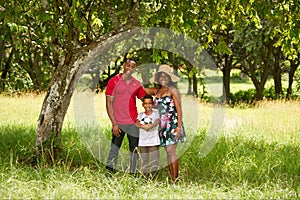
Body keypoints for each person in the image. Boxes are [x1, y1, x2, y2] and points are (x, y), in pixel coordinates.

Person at [144, 64, 186, 183]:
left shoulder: (173, 90)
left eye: (166, 76)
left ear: (170, 78)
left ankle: (175, 180)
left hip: (172, 124)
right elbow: (140, 90)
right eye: (161, 76)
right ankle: (172, 178)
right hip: (162, 126)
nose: (163, 78)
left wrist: (178, 127)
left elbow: (179, 109)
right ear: (157, 78)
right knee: (168, 152)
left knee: (170, 150)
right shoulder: (156, 91)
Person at [105, 58, 146, 174]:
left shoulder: (136, 84)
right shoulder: (113, 81)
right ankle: (109, 174)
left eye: (133, 67)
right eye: (128, 65)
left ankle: (134, 174)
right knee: (114, 149)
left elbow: (145, 99)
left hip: (133, 122)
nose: (130, 69)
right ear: (124, 66)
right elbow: (108, 103)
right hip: (119, 122)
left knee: (134, 150)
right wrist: (114, 123)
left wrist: (160, 95)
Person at [135, 94, 160, 178]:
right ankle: (145, 178)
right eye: (145, 103)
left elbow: (157, 120)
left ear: (152, 104)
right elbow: (137, 122)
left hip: (153, 142)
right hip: (143, 142)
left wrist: (151, 125)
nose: (147, 105)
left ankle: (154, 178)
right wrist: (143, 126)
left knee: (154, 161)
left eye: (149, 103)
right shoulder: (141, 115)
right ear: (143, 104)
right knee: (144, 161)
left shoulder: (156, 113)